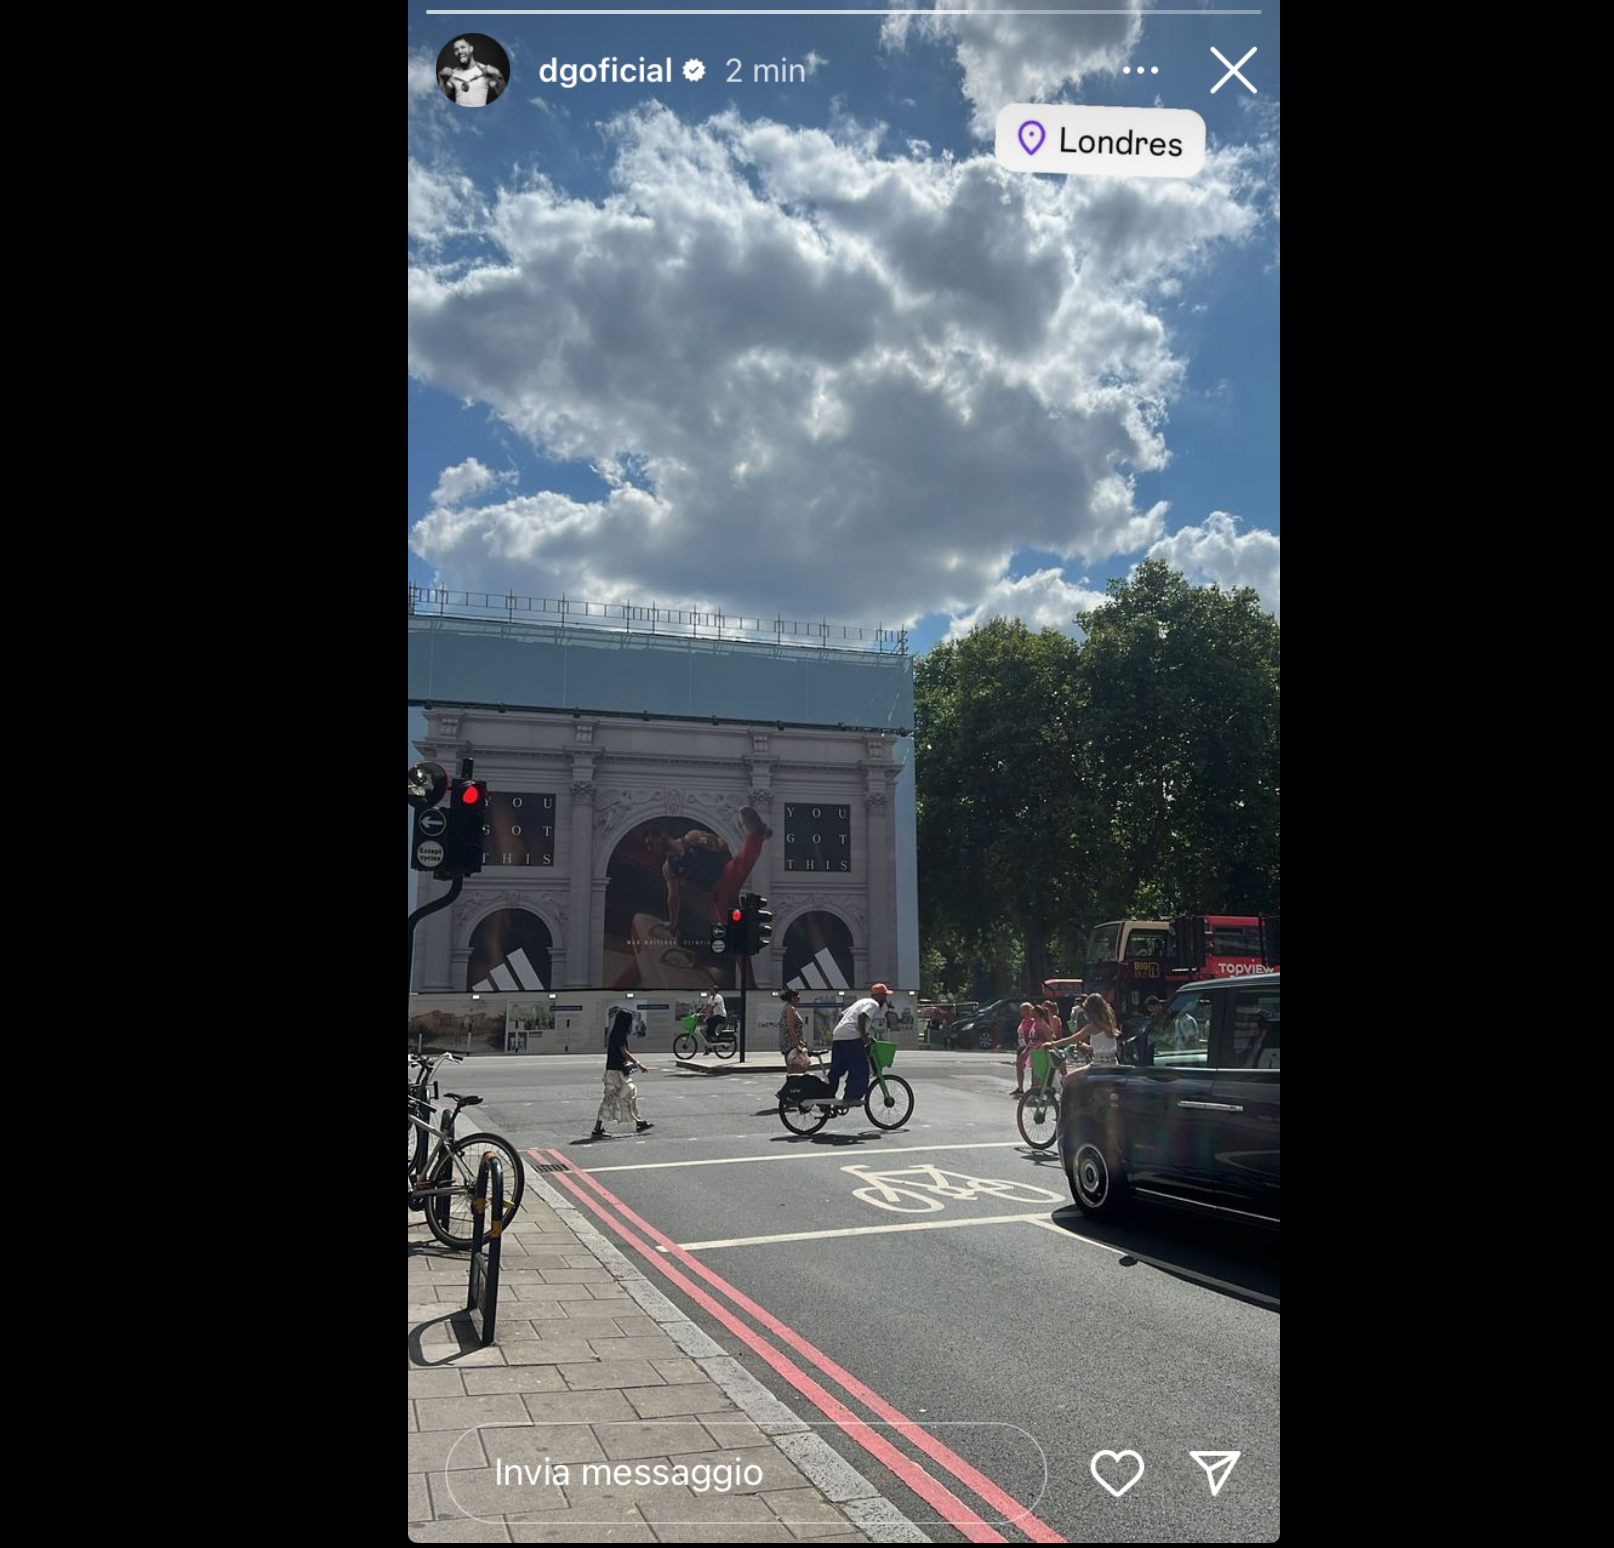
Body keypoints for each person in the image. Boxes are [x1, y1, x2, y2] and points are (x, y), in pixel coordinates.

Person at [644, 807, 772, 940]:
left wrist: (714, 844)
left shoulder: (691, 838)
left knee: (742, 862)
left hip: (725, 875)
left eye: (650, 843)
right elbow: (673, 898)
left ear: (662, 835)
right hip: (717, 894)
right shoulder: (668, 868)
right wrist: (673, 923)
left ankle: (756, 833)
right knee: (733, 931)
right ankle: (759, 835)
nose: (649, 849)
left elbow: (723, 845)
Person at [826, 983, 891, 1110]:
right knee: (860, 1068)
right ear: (878, 995)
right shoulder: (873, 1004)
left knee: (837, 1070)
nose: (885, 998)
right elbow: (862, 1016)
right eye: (884, 995)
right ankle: (851, 1097)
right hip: (851, 1038)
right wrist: (863, 1036)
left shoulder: (861, 1002)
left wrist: (859, 1032)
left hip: (839, 1036)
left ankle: (825, 1096)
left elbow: (842, 1015)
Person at [593, 1009, 653, 1138]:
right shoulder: (620, 1034)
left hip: (613, 1070)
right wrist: (638, 1064)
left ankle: (638, 1121)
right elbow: (624, 1052)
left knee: (618, 1097)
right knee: (624, 1096)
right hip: (616, 1072)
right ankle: (598, 1128)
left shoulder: (615, 1032)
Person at [439, 38, 505, 104]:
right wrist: (440, 76)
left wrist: (497, 73)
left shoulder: (485, 71)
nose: (459, 52)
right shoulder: (453, 73)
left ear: (471, 49)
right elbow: (443, 96)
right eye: (456, 50)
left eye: (463, 47)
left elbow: (503, 94)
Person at [1077, 994, 1123, 1066]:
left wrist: (1057, 1043)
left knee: (1072, 1074)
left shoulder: (1092, 1027)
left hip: (1098, 1065)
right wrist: (1087, 1047)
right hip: (1113, 1063)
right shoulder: (1109, 1023)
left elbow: (1072, 1039)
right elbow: (1103, 1047)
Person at [779, 988, 810, 1073]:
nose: (799, 1000)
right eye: (798, 998)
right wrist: (797, 1045)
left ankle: (792, 1081)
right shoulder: (790, 1009)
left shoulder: (788, 1008)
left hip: (790, 1043)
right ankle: (793, 1081)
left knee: (793, 1069)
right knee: (799, 1068)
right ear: (793, 998)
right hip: (791, 1044)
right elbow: (790, 1027)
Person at [1013, 1002, 1037, 1096]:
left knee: (1033, 1067)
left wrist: (1028, 1046)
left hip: (1028, 1046)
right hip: (1021, 1045)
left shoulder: (1032, 1021)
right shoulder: (1023, 1021)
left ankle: (1033, 1088)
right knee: (1019, 1065)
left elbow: (1032, 1034)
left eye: (1022, 1009)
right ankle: (1020, 1088)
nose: (1020, 1012)